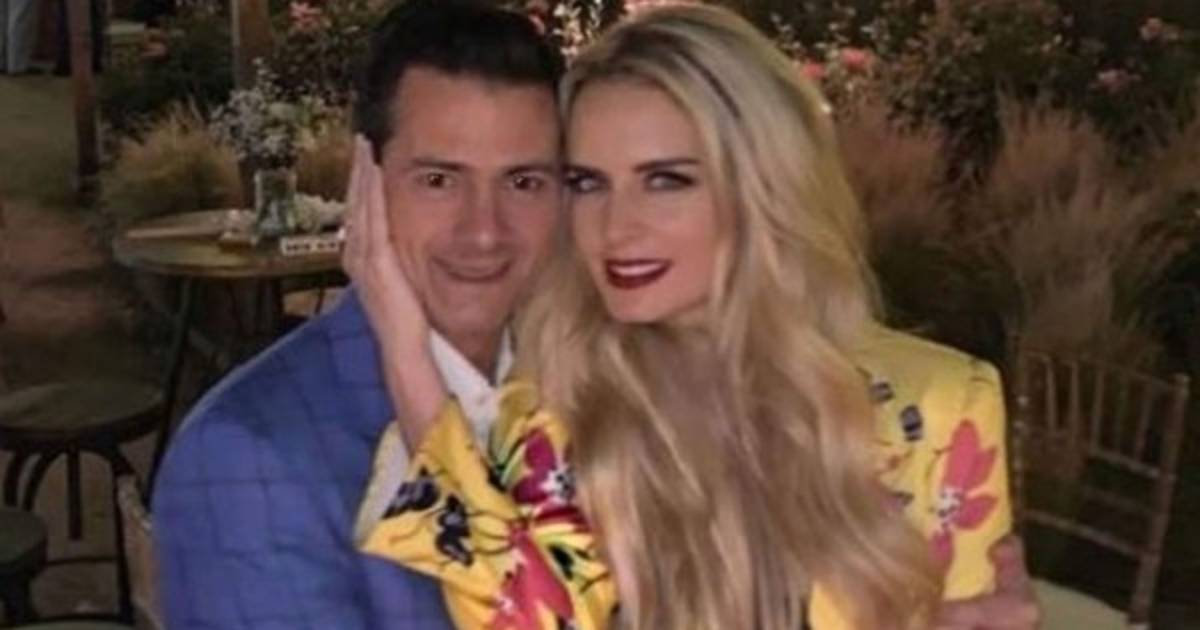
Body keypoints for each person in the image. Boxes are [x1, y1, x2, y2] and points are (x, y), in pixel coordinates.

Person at [347, 4, 1040, 630]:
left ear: (760, 185)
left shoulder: (942, 408)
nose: (616, 228)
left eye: (665, 180)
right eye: (588, 183)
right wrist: (407, 354)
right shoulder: (555, 412)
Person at [151, 1, 564, 628]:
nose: (484, 231)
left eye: (523, 182)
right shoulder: (245, 460)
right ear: (365, 185)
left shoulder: (591, 394)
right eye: (439, 180)